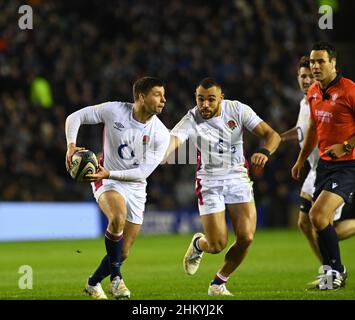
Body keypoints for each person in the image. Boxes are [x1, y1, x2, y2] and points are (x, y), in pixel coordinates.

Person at [165, 77, 281, 296]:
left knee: (246, 237)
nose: (205, 105)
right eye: (200, 99)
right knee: (217, 244)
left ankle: (218, 283)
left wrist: (265, 152)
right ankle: (200, 244)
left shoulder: (237, 110)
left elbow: (272, 135)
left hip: (237, 178)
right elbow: (172, 141)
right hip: (209, 181)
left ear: (221, 98)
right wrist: (161, 152)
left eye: (210, 99)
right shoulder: (191, 119)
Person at [65, 76, 170, 299]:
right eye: (157, 94)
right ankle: (117, 280)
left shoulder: (161, 134)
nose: (163, 99)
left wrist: (110, 172)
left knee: (123, 252)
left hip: (134, 185)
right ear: (141, 97)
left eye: (163, 95)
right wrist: (71, 145)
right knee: (117, 217)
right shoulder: (115, 111)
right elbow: (76, 116)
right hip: (107, 179)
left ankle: (93, 283)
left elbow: (142, 172)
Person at [281, 56, 355, 269]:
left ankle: (333, 269)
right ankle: (327, 267)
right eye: (302, 76)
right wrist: (286, 144)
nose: (306, 80)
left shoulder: (342, 93)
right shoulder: (307, 101)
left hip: (341, 165)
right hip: (317, 168)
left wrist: (346, 146)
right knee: (305, 223)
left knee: (324, 224)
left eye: (309, 76)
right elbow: (306, 132)